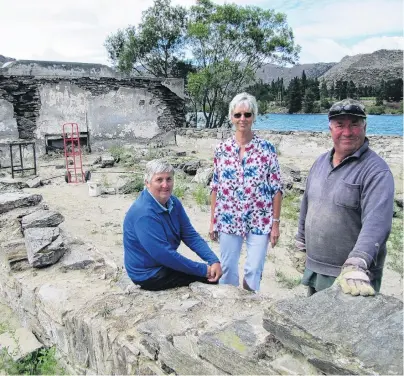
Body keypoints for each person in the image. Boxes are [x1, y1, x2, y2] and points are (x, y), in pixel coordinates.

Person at [295, 98, 394, 297]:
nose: (347, 132)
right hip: (316, 267)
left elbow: (377, 224)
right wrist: (301, 243)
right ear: (330, 128)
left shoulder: (376, 172)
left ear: (364, 126)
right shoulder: (320, 162)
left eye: (354, 124)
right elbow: (307, 204)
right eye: (340, 125)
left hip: (353, 276)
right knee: (314, 325)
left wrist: (358, 262)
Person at [209, 92, 283, 292]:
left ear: (254, 117)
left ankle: (249, 304)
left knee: (253, 269)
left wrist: (275, 224)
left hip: (260, 218)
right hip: (228, 217)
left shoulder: (267, 149)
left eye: (247, 115)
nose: (243, 119)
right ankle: (228, 309)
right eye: (238, 114)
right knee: (228, 268)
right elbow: (216, 186)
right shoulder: (221, 149)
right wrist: (212, 220)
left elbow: (277, 188)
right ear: (231, 117)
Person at [124, 159, 222, 291]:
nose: (165, 185)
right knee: (209, 279)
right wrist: (204, 270)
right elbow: (164, 255)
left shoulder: (173, 202)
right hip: (148, 273)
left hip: (162, 262)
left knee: (211, 272)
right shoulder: (144, 214)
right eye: (159, 180)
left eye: (169, 179)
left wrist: (213, 260)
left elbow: (189, 235)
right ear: (147, 183)